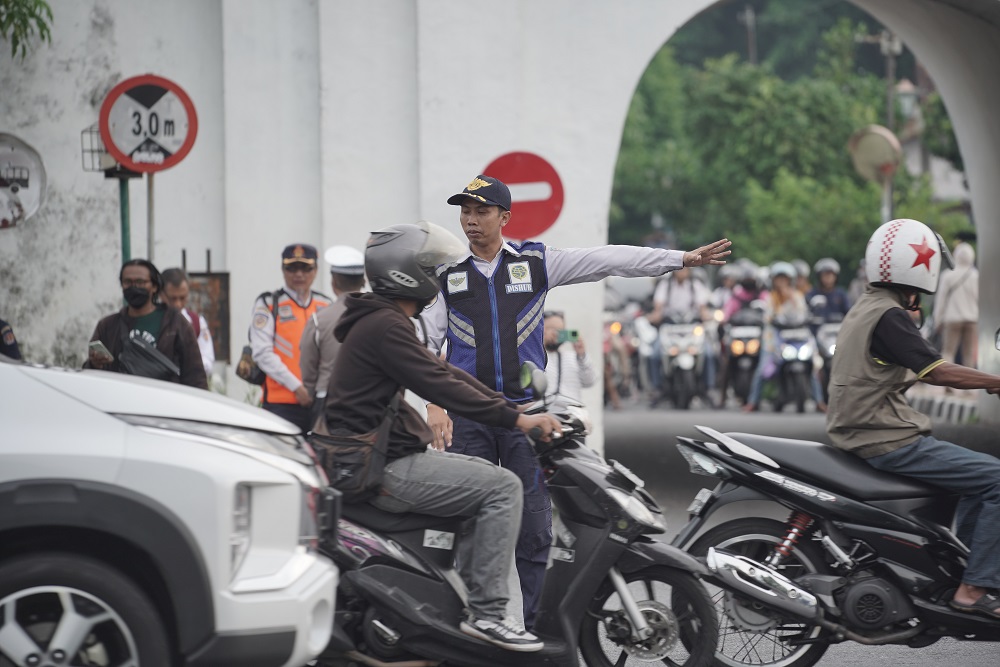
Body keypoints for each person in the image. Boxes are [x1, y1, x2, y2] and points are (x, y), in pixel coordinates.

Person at [424, 173, 731, 628]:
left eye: (481, 211)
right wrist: (433, 405)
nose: (470, 221)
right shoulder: (449, 278)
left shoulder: (534, 262)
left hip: (527, 419)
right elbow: (425, 345)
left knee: (534, 529)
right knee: (469, 530)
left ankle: (535, 629)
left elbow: (604, 260)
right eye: (465, 212)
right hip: (470, 418)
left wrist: (679, 259)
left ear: (504, 217)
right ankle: (469, 630)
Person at [323, 220, 561, 651]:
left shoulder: (383, 320)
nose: (438, 276)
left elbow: (446, 371)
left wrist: (510, 407)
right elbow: (440, 384)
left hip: (369, 458)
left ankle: (463, 608)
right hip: (375, 467)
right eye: (431, 267)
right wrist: (518, 421)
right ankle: (487, 615)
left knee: (475, 481)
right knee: (503, 487)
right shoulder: (386, 326)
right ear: (407, 274)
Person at [827, 217, 1000, 620]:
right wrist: (994, 381)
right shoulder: (889, 315)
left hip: (861, 429)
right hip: (884, 437)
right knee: (996, 478)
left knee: (976, 478)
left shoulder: (867, 306)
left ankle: (964, 569)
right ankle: (974, 589)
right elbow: (936, 370)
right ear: (917, 266)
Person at [84, 259, 207, 389]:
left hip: (164, 403)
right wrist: (94, 364)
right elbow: (92, 378)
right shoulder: (108, 326)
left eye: (140, 282)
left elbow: (195, 374)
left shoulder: (176, 324)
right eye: (127, 282)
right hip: (119, 403)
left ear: (154, 287)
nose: (134, 287)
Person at [249, 244, 333, 432]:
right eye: (292, 268)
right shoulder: (269, 303)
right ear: (283, 269)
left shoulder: (325, 304)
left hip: (319, 403)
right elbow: (262, 353)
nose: (299, 274)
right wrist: (296, 387)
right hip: (281, 405)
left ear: (316, 270)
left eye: (306, 268)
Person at [742, 261, 824, 412]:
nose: (781, 282)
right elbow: (767, 317)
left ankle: (819, 401)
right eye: (778, 279)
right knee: (762, 369)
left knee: (812, 365)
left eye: (784, 279)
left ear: (790, 280)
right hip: (774, 338)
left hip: (797, 335)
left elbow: (803, 314)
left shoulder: (797, 296)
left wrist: (790, 298)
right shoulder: (770, 298)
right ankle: (752, 401)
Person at [299, 245, 367, 425]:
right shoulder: (378, 317)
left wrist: (311, 392)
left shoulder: (318, 320)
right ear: (363, 281)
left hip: (327, 399)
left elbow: (308, 368)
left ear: (334, 283)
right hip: (368, 401)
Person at [161, 268, 216, 378]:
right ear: (161, 294)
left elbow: (208, 360)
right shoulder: (153, 320)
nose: (178, 304)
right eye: (172, 298)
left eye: (182, 298)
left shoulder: (197, 322)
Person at [933, 241, 979, 368]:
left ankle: (948, 384)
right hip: (972, 319)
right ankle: (970, 385)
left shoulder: (947, 275)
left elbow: (941, 300)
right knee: (969, 354)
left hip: (951, 319)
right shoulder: (976, 276)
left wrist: (937, 320)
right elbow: (979, 300)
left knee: (948, 352)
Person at [542, 311, 595, 413]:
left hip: (572, 414)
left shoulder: (574, 357)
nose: (556, 333)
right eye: (550, 329)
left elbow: (589, 381)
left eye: (560, 330)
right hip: (545, 413)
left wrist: (581, 355)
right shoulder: (535, 358)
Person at [806, 258, 851, 325]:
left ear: (836, 276)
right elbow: (807, 313)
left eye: (831, 274)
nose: (828, 277)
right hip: (817, 330)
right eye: (825, 274)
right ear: (819, 276)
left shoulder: (841, 294)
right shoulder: (812, 294)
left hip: (838, 329)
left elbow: (849, 313)